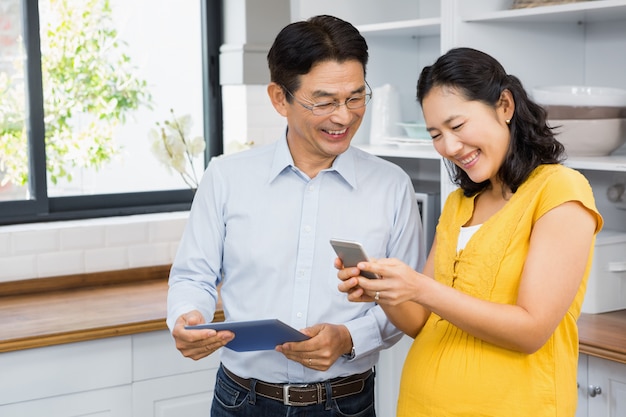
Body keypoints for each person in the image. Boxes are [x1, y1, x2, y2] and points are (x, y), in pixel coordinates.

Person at [166, 15, 425, 417]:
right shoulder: (226, 176)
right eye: (323, 101)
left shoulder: (392, 186)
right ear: (278, 97)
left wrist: (347, 337)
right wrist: (187, 316)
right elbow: (192, 276)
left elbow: (407, 303)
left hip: (346, 404)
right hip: (241, 402)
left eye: (356, 97)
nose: (344, 116)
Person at [336, 47, 604, 417]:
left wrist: (420, 287)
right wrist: (384, 290)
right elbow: (421, 322)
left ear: (505, 106)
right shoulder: (460, 203)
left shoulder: (559, 191)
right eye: (436, 134)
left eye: (457, 126)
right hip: (420, 406)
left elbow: (531, 330)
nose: (449, 147)